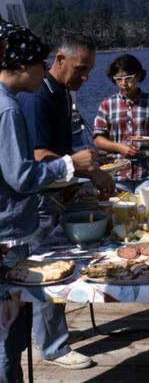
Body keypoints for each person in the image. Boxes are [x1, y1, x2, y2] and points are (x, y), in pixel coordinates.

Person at [0, 21, 95, 383]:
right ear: (24, 65)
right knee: (9, 338)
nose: (45, 72)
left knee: (13, 332)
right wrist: (70, 165)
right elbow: (22, 175)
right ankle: (52, 348)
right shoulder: (13, 107)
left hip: (17, 225)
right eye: (41, 65)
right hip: (14, 230)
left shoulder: (14, 102)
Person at [18, 31, 113, 370]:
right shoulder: (37, 98)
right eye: (80, 69)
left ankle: (44, 335)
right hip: (37, 203)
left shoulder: (61, 92)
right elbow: (40, 157)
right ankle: (54, 347)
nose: (85, 77)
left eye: (89, 71)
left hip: (56, 194)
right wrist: (82, 168)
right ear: (58, 60)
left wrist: (83, 173)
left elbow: (61, 152)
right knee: (47, 274)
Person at [93, 54, 149, 193]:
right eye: (118, 79)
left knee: (147, 210)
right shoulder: (107, 105)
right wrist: (119, 147)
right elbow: (98, 139)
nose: (123, 83)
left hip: (147, 173)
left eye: (128, 78)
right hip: (117, 175)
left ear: (139, 76)